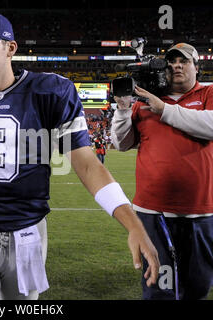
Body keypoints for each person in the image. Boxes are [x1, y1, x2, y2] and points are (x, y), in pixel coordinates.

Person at [0, 11, 159, 300]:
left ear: (10, 48)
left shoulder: (51, 91)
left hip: (27, 233)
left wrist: (132, 224)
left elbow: (87, 165)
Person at [111, 43, 213, 300]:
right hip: (153, 212)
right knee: (159, 289)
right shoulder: (145, 100)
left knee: (198, 288)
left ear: (196, 68)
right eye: (171, 62)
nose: (176, 66)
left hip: (201, 211)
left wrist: (164, 109)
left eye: (183, 61)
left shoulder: (209, 93)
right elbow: (121, 144)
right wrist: (123, 109)